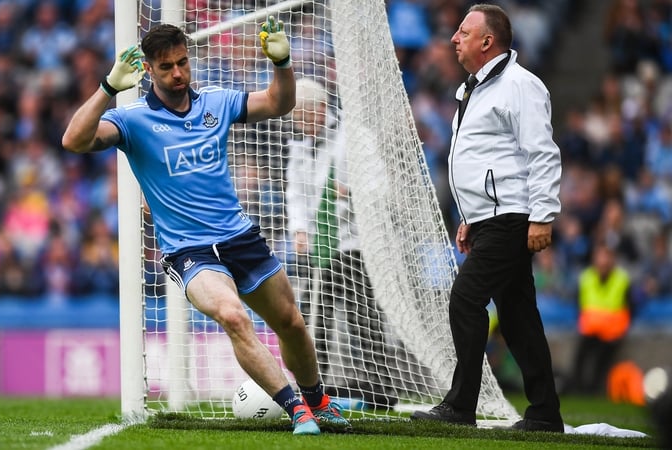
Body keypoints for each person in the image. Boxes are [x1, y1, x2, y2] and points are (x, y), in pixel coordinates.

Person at [60, 20, 350, 435]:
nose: (177, 73)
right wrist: (108, 88)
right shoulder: (133, 119)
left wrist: (282, 63)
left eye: (182, 63)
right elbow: (74, 140)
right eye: (166, 67)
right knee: (234, 317)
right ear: (148, 69)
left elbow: (278, 103)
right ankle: (296, 410)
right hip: (189, 251)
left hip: (239, 237)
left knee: (291, 322)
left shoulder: (217, 101)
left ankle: (318, 400)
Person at [410, 4, 564, 432]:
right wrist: (470, 217)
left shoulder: (520, 86)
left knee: (465, 299)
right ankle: (545, 413)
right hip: (492, 217)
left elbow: (542, 153)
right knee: (517, 315)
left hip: (513, 217)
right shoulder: (471, 89)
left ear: (486, 41)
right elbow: (485, 159)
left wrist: (543, 216)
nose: (454, 38)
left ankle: (461, 405)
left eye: (463, 31)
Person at [285, 77, 399, 409]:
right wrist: (300, 229)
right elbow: (295, 192)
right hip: (320, 246)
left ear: (320, 109)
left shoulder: (354, 137)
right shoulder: (301, 145)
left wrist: (350, 194)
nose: (299, 123)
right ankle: (313, 385)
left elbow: (381, 188)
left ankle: (381, 389)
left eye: (303, 116)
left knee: (363, 318)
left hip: (354, 244)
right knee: (311, 315)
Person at [568, 242, 634, 395]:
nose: (603, 261)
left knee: (601, 361)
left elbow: (630, 307)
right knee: (580, 358)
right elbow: (579, 304)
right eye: (600, 256)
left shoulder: (622, 279)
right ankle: (578, 389)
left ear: (613, 259)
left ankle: (594, 390)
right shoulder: (586, 278)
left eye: (607, 256)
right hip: (590, 330)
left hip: (612, 333)